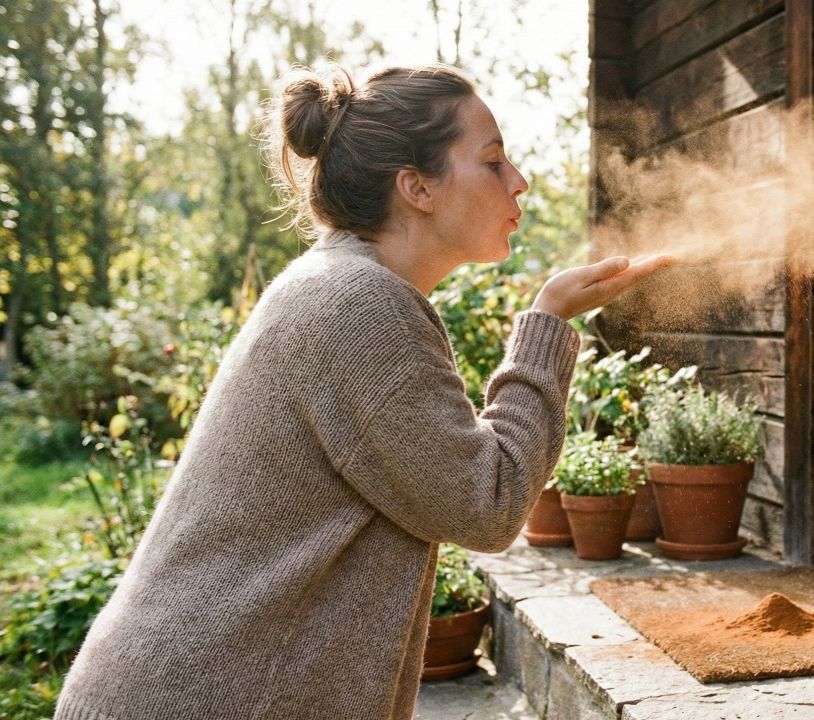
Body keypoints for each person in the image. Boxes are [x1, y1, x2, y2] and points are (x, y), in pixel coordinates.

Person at [54, 64, 670, 720]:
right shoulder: (359, 306)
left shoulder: (337, 286)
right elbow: (487, 503)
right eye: (492, 162)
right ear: (416, 188)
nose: (518, 180)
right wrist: (545, 325)